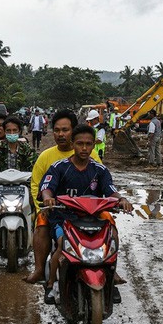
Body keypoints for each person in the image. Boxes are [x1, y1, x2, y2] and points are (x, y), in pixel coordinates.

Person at [39, 124, 132, 303]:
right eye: (80, 143)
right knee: (62, 243)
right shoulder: (59, 167)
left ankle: (110, 281)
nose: (84, 148)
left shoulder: (100, 170)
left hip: (92, 218)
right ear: (73, 144)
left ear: (93, 145)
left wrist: (121, 200)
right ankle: (51, 285)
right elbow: (46, 188)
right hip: (64, 218)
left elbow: (111, 190)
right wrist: (48, 198)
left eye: (88, 144)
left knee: (112, 237)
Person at [22, 109, 102, 284]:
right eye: (57, 130)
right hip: (56, 210)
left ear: (73, 131)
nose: (60, 134)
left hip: (88, 209)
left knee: (109, 222)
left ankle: (108, 267)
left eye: (65, 130)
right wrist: (42, 207)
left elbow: (101, 182)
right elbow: (36, 184)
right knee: (41, 224)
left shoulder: (92, 155)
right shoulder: (46, 157)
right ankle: (39, 269)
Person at [0, 116, 37, 252]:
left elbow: (35, 165)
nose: (11, 133)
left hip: (24, 187)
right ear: (4, 131)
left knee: (40, 203)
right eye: (8, 131)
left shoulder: (27, 149)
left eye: (14, 130)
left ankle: (35, 231)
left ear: (19, 131)